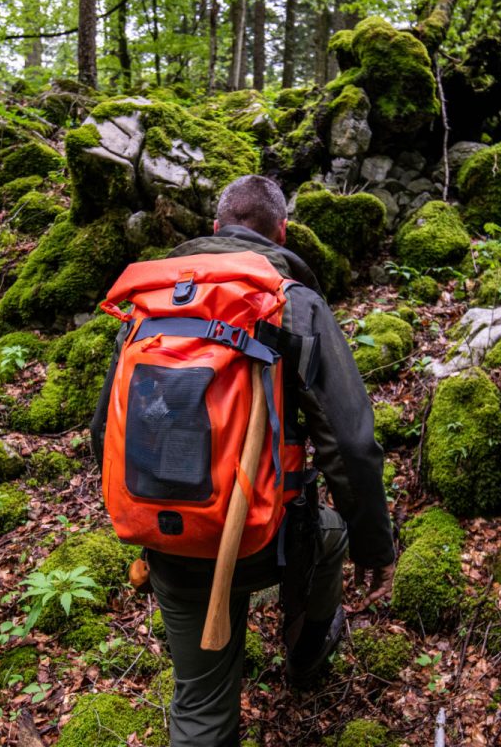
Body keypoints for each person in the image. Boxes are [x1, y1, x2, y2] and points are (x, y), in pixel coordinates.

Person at [91, 174, 396, 747]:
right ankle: (306, 659)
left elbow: (103, 429)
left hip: (167, 538)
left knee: (200, 703)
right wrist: (376, 549)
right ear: (281, 232)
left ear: (214, 228)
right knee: (329, 537)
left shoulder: (150, 303)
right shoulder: (291, 302)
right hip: (265, 539)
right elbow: (350, 445)